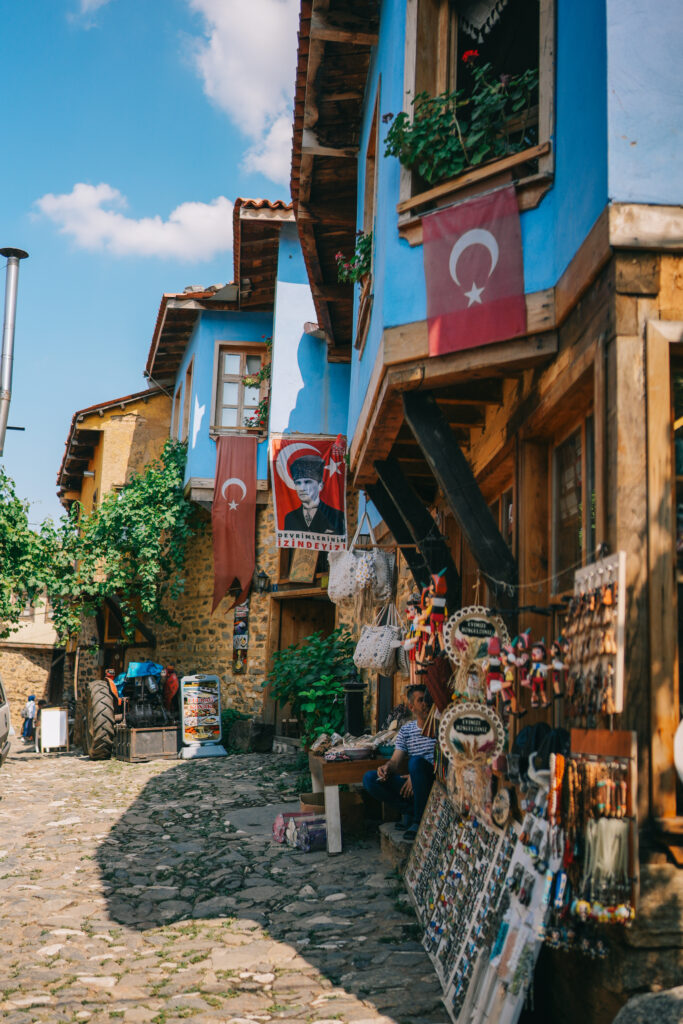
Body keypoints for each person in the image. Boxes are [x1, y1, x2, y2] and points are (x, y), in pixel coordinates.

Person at [363, 684, 436, 841]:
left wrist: (415, 776)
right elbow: (396, 761)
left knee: (416, 762)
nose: (426, 704)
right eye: (421, 700)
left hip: (431, 780)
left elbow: (443, 760)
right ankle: (409, 810)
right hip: (413, 784)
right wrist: (386, 768)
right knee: (369, 779)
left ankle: (418, 821)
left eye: (427, 700)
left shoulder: (440, 726)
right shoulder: (407, 730)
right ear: (411, 707)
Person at [283, 455, 345, 536]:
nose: (302, 488)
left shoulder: (336, 516)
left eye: (307, 482)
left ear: (320, 485)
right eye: (298, 483)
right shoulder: (290, 518)